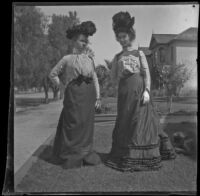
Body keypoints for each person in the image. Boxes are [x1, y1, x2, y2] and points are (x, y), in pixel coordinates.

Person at [105, 12, 176, 172]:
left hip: (140, 93)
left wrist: (147, 91)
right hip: (125, 95)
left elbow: (146, 74)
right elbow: (113, 78)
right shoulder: (117, 57)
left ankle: (142, 156)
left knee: (140, 124)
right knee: (126, 124)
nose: (122, 40)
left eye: (124, 36)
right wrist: (120, 76)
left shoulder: (140, 53)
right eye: (119, 37)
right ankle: (125, 154)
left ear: (130, 36)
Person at [49, 21, 102, 169]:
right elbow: (52, 74)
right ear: (74, 40)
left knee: (86, 124)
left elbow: (95, 78)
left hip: (89, 94)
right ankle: (71, 154)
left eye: (86, 41)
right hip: (73, 95)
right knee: (73, 123)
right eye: (81, 40)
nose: (84, 43)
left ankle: (86, 153)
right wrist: (62, 87)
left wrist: (98, 97)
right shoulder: (67, 58)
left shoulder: (90, 59)